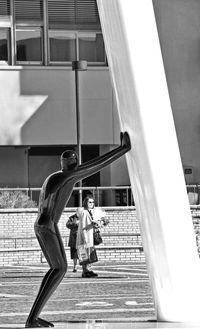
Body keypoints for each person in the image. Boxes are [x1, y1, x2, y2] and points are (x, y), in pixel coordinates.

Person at [25, 131, 131, 328]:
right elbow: (97, 164)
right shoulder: (69, 176)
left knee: (56, 268)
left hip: (39, 225)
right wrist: (123, 149)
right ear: (74, 163)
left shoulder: (54, 176)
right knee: (60, 268)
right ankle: (32, 319)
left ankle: (33, 317)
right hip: (48, 226)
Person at [76, 195, 107, 278]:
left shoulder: (90, 212)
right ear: (86, 202)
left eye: (93, 202)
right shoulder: (84, 212)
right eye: (90, 202)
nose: (91, 204)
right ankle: (85, 271)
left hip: (89, 235)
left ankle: (88, 270)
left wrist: (99, 223)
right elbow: (83, 225)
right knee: (84, 254)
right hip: (85, 236)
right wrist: (93, 224)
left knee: (89, 254)